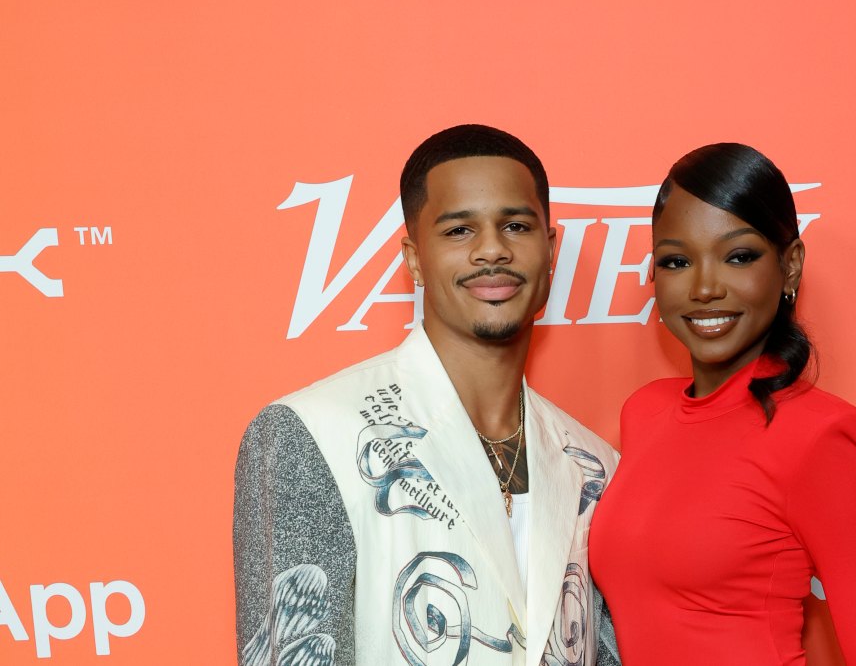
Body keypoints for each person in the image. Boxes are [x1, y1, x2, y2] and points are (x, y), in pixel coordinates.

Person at [234, 124, 619, 666]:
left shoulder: (595, 463)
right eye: (459, 230)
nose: (492, 250)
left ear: (550, 249)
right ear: (414, 259)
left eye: (515, 225)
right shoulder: (313, 433)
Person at [589, 143, 856, 665]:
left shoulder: (819, 435)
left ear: (790, 267)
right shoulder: (643, 414)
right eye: (677, 261)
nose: (705, 287)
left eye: (738, 256)